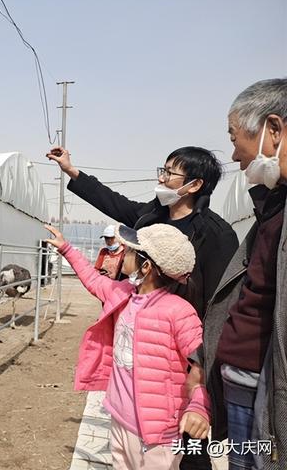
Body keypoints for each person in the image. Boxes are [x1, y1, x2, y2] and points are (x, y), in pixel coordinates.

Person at [47, 145, 238, 469]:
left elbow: (221, 306)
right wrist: (72, 171)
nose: (161, 179)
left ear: (194, 185)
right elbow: (114, 203)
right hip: (148, 352)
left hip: (188, 353)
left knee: (187, 445)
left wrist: (202, 367)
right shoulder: (152, 218)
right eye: (161, 170)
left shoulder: (215, 235)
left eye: (169, 173)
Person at [45, 222, 210, 470]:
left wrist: (199, 405)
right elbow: (93, 280)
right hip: (120, 419)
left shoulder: (179, 312)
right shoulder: (124, 293)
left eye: (131, 250)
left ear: (147, 267)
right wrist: (66, 249)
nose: (123, 251)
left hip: (156, 435)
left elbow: (203, 364)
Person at [200, 77, 287, 470]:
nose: (235, 154)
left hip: (265, 389)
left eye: (235, 138)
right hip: (239, 377)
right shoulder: (271, 205)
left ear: (273, 130)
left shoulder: (214, 230)